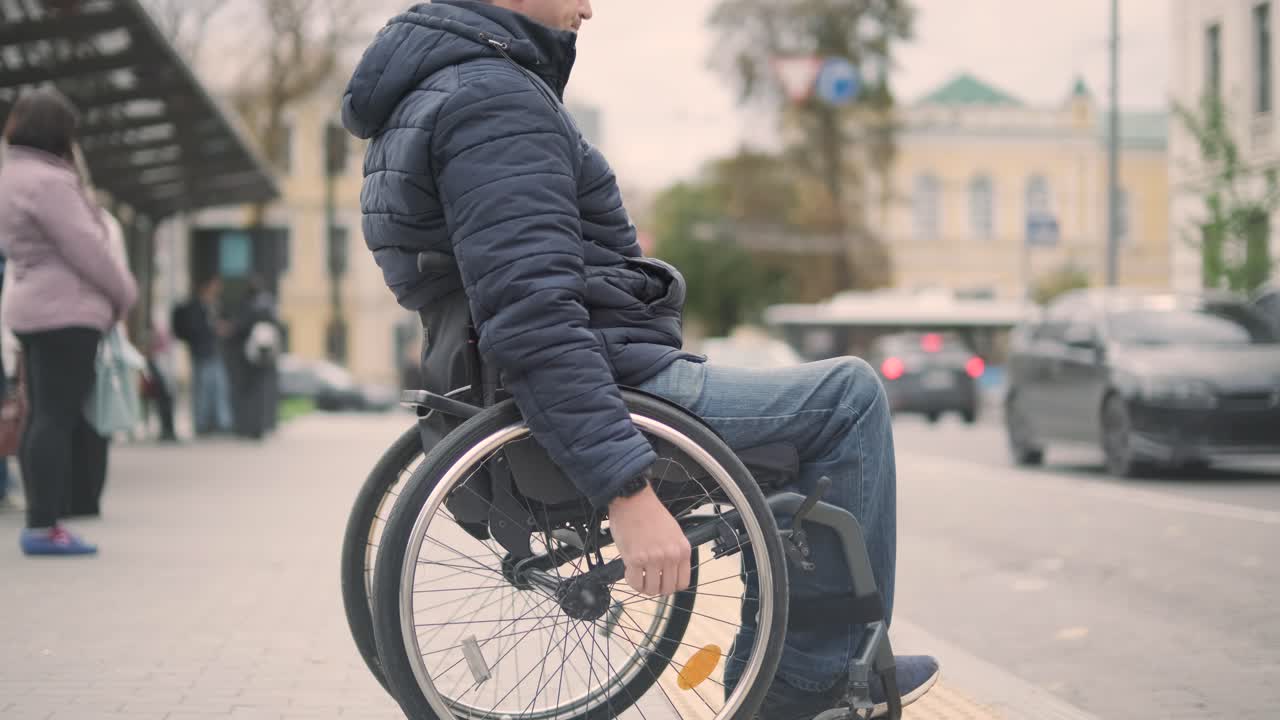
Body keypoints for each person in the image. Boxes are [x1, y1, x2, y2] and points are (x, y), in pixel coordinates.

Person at [341, 2, 939, 717]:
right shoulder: (492, 100)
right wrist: (626, 491)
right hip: (606, 385)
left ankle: (799, 654)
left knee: (783, 415)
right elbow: (532, 320)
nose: (589, 7)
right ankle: (811, 680)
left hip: (526, 385)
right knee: (848, 397)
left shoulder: (429, 92)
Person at [0, 88, 138, 555]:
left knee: (40, 414)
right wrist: (125, 293)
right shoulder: (50, 182)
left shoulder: (10, 176)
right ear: (60, 133)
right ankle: (45, 526)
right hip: (67, 312)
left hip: (28, 308)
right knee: (55, 419)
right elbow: (88, 250)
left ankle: (41, 522)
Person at [172, 276, 233, 437]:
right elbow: (195, 329)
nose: (217, 290)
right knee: (202, 390)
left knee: (220, 388)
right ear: (206, 287)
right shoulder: (195, 307)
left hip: (215, 352)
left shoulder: (215, 306)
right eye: (214, 286)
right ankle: (202, 424)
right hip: (201, 353)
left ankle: (221, 423)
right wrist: (213, 329)